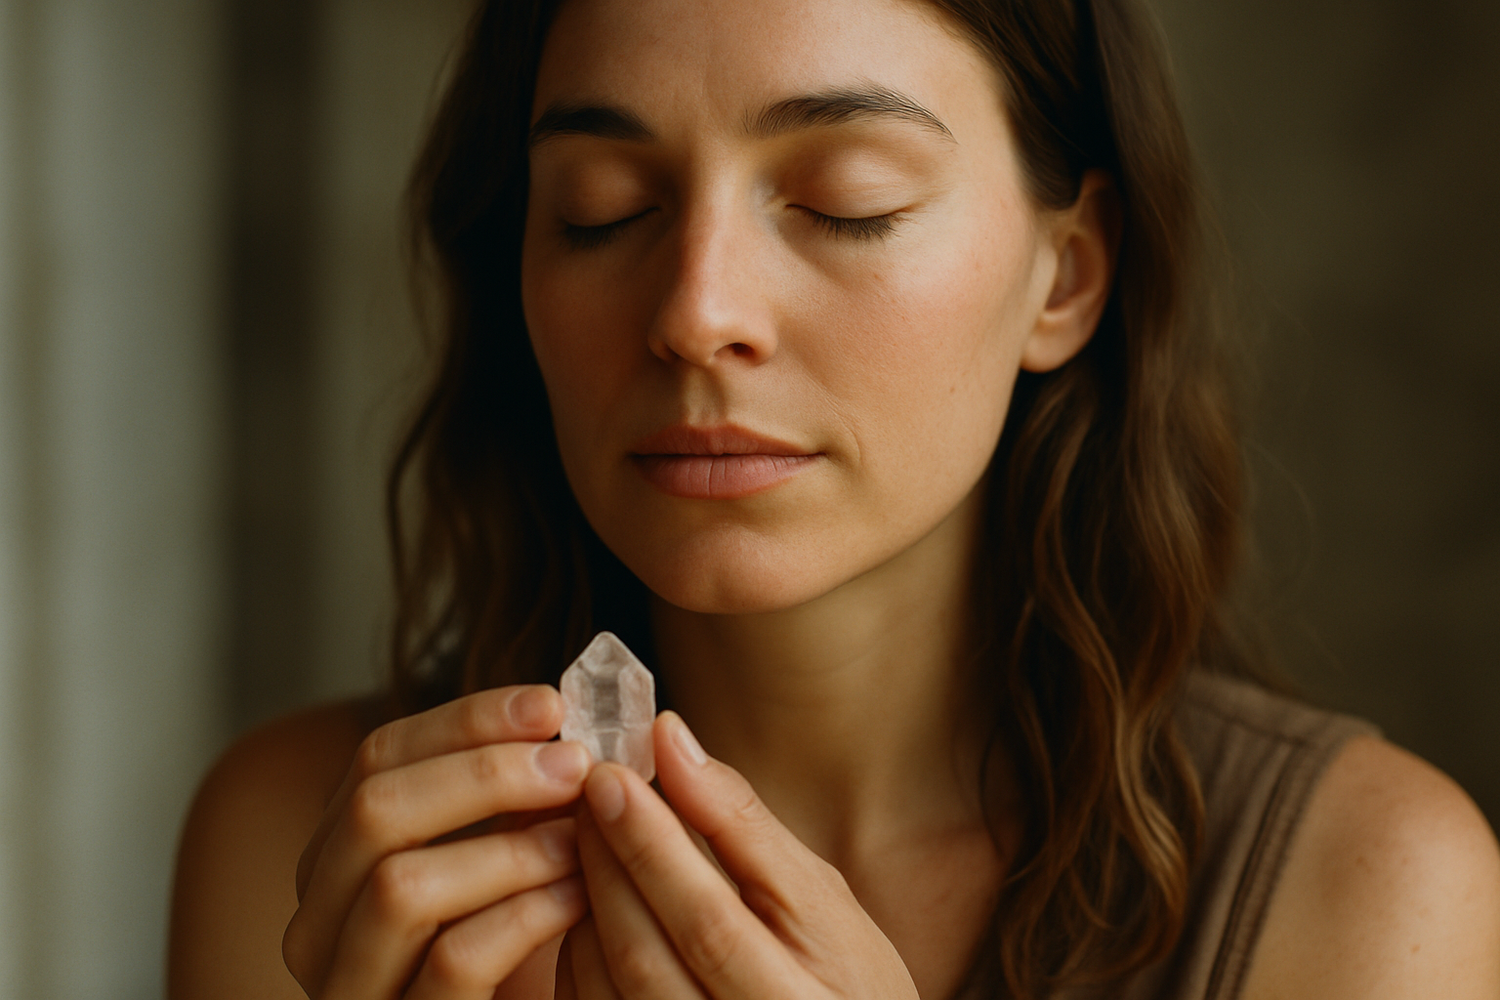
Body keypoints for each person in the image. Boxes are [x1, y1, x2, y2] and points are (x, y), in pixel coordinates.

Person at [167, 0, 1500, 997]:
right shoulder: (309, 847)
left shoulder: (1370, 893)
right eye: (601, 209)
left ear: (1068, 276)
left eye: (844, 203)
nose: (695, 313)